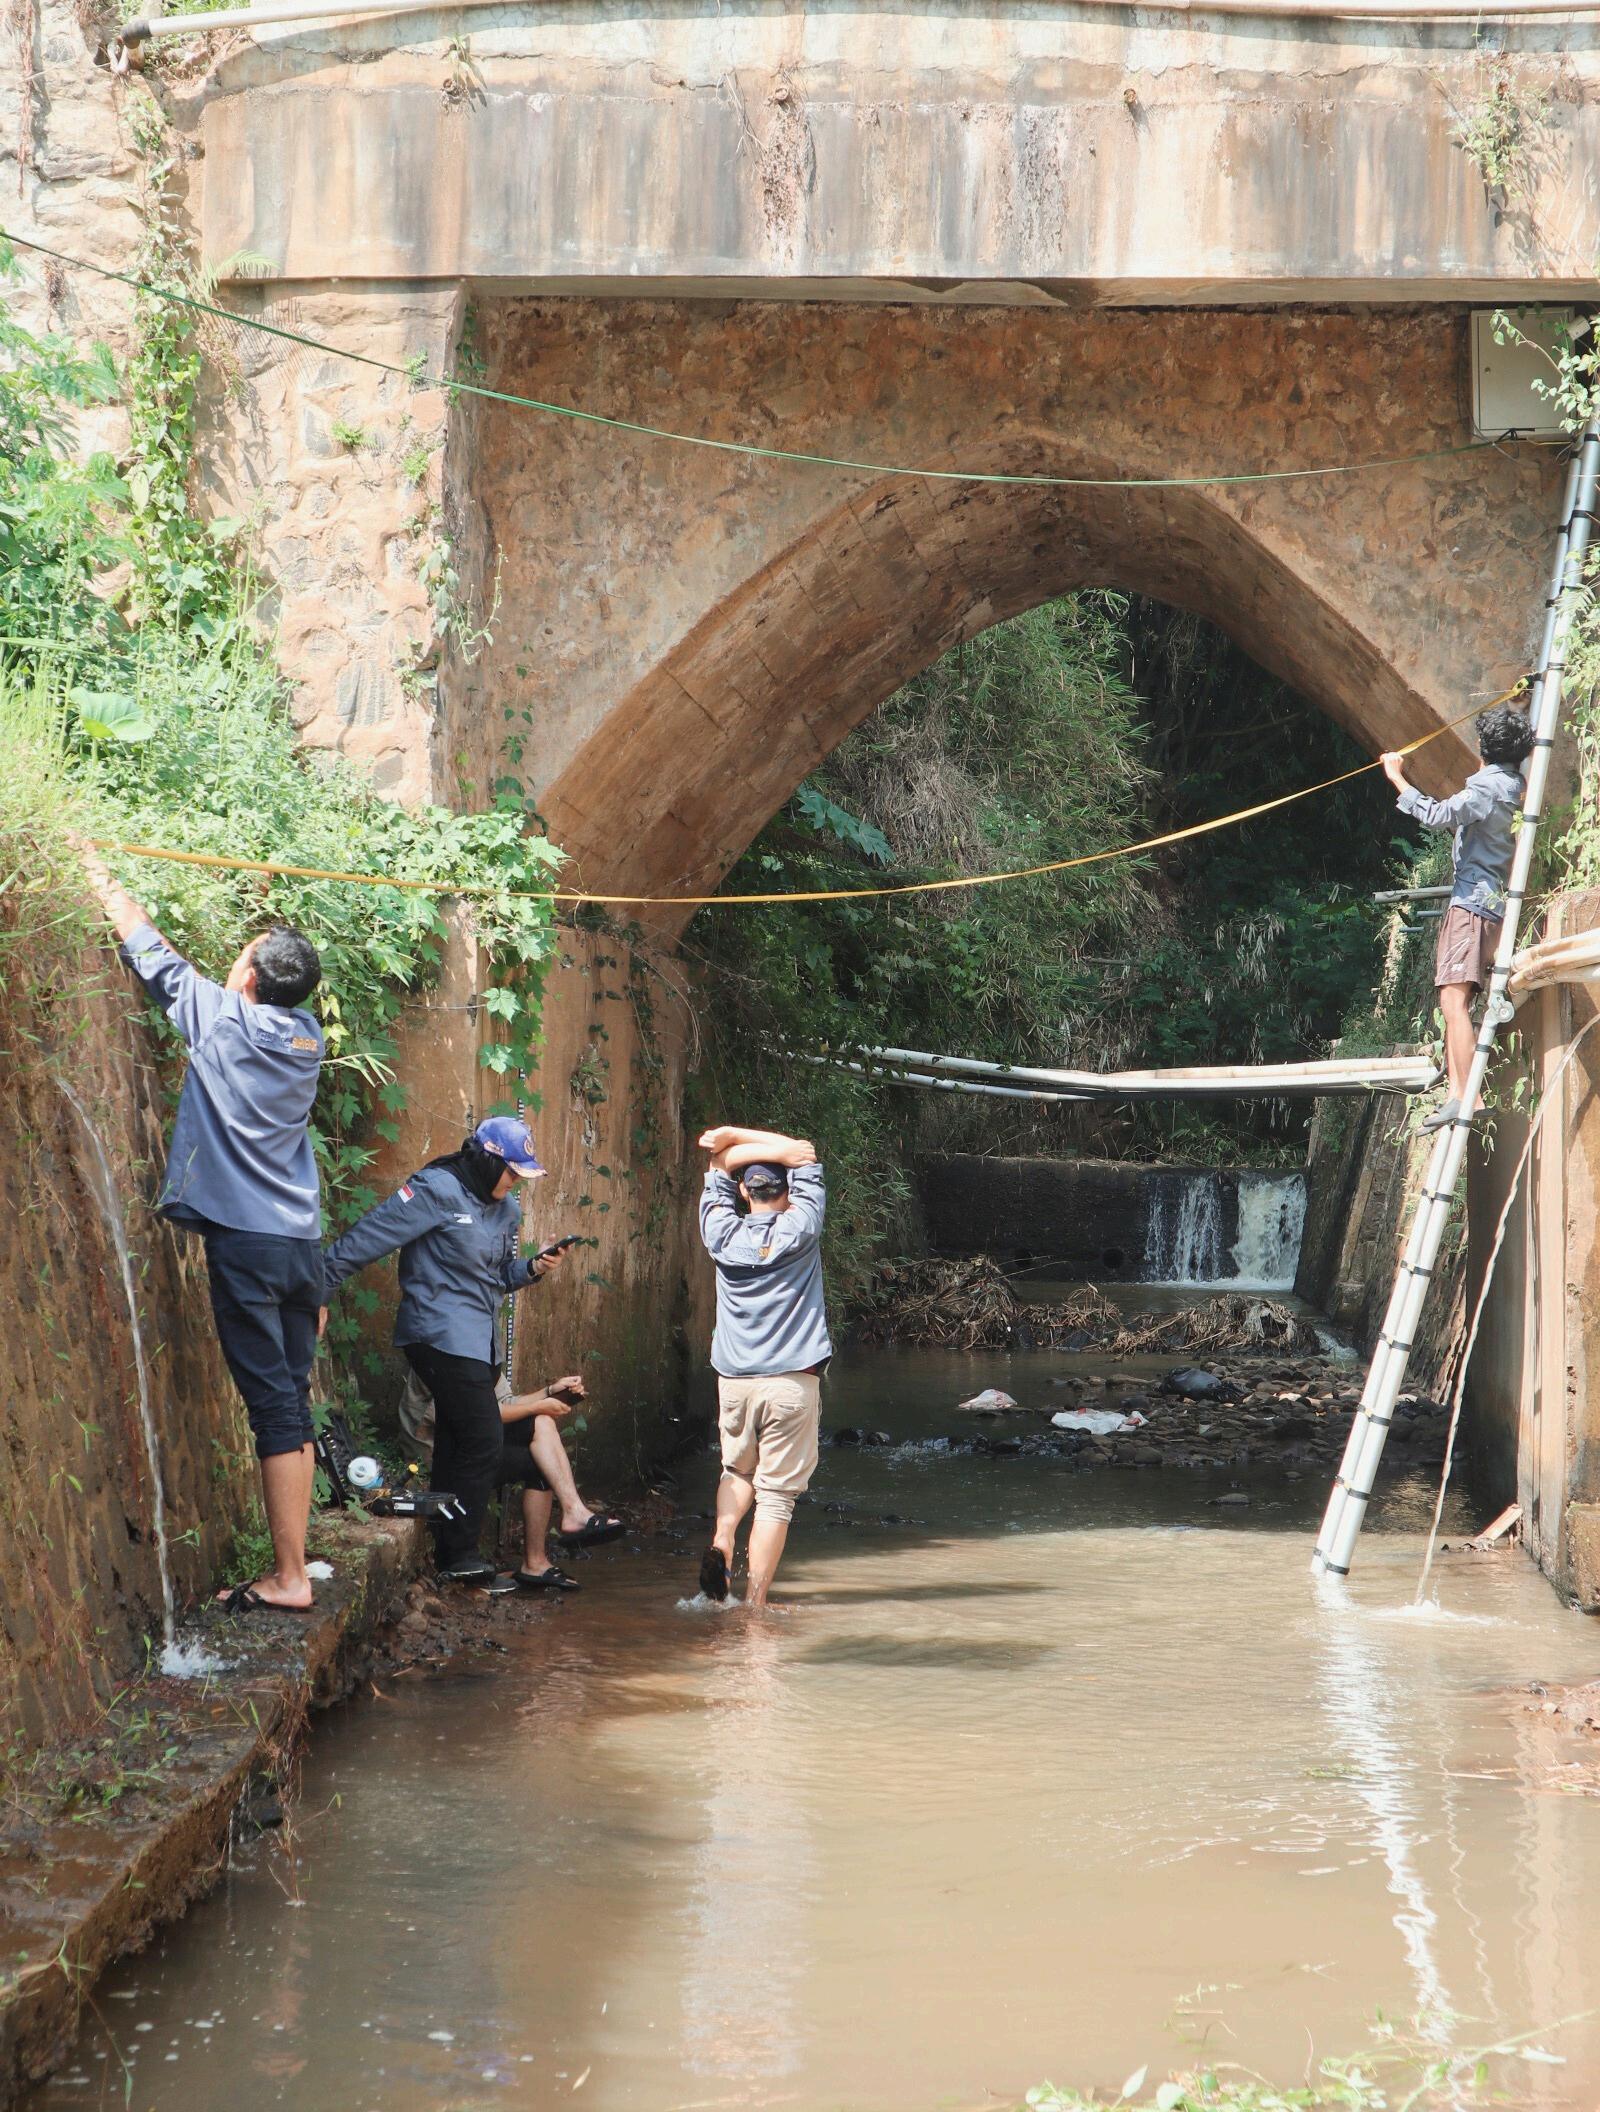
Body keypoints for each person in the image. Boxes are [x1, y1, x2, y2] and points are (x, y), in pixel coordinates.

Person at [77, 843, 326, 1615]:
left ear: (248, 980)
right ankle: (295, 1562)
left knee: (275, 1410)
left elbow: (146, 946)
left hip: (249, 1246)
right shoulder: (308, 1038)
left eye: (243, 958)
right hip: (301, 1247)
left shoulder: (222, 1021)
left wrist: (92, 865)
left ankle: (289, 1579)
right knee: (292, 1402)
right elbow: (256, 981)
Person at [320, 1116, 581, 1584]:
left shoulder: (507, 1211)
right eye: (511, 1172)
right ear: (487, 1160)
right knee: (482, 1437)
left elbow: (498, 1277)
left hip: (479, 1341)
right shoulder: (436, 1188)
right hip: (434, 1333)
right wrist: (320, 1284)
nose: (515, 1182)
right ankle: (460, 1556)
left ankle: (448, 1550)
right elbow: (372, 1234)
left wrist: (534, 1268)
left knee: (460, 1440)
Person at [1382, 703, 1535, 1133]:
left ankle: (1469, 1096)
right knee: (1455, 1002)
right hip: (1492, 906)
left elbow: (1437, 815)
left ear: (1485, 747)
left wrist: (1396, 777)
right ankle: (1456, 1092)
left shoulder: (1485, 789)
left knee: (1454, 1002)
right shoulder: (1515, 784)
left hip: (1471, 906)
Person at [696, 1125, 831, 1608]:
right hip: (791, 1381)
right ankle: (754, 1606)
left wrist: (732, 1136)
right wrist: (786, 1149)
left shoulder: (720, 1233)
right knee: (775, 1496)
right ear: (788, 1191)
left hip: (735, 1381)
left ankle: (722, 1538)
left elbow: (717, 1160)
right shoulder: (801, 1228)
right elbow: (806, 1154)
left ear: (742, 1191)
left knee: (736, 1471)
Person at [397, 1363, 623, 1591]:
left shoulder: (480, 1349)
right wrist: (537, 1406)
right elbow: (473, 1414)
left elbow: (505, 1402)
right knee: (539, 1448)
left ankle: (560, 1529)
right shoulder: (444, 1354)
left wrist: (550, 1392)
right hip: (437, 1455)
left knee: (543, 1431)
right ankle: (556, 1535)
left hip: (472, 1441)